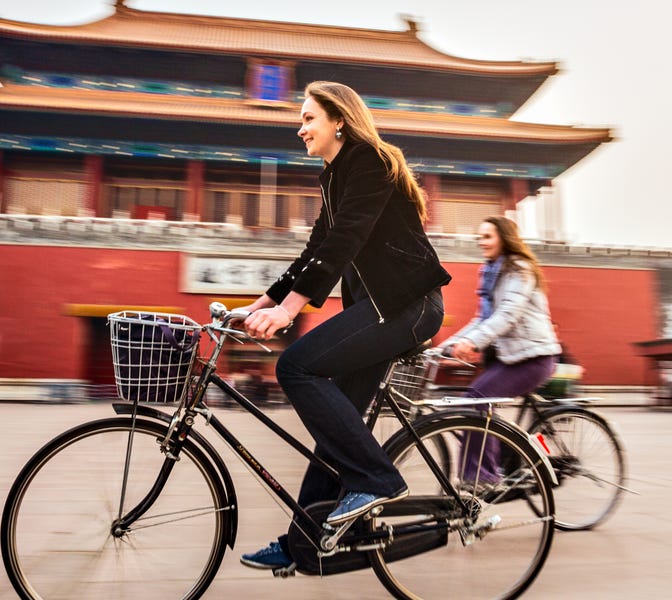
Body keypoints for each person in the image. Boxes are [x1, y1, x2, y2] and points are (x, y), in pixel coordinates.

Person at [237, 81, 452, 569]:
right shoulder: (335, 177)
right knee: (337, 429)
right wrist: (258, 305)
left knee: (295, 367)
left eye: (308, 118)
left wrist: (289, 311)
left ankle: (377, 480)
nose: (300, 128)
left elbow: (345, 241)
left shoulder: (369, 162)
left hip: (407, 305)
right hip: (381, 308)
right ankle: (305, 544)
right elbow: (315, 251)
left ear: (339, 120)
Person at [439, 216, 561, 486]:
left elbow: (508, 314)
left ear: (504, 238)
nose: (481, 242)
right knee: (477, 403)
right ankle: (496, 465)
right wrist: (445, 347)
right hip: (509, 357)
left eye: (487, 236)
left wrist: (473, 343)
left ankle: (482, 478)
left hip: (533, 356)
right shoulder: (491, 271)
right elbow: (482, 319)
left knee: (476, 399)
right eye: (479, 237)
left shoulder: (519, 270)